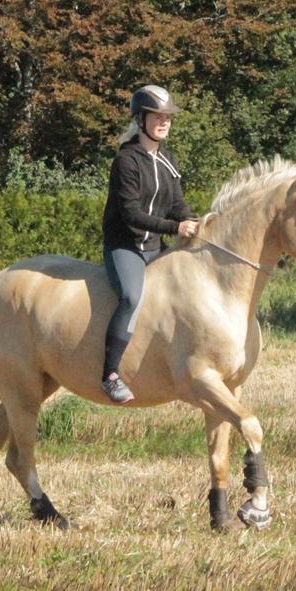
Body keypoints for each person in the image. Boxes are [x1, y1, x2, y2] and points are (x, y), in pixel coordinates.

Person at [99, 85, 199, 403]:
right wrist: (175, 227)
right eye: (157, 116)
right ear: (141, 119)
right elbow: (131, 214)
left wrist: (193, 222)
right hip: (125, 246)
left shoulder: (167, 160)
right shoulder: (126, 162)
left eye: (168, 116)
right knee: (130, 297)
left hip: (155, 246)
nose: (164, 121)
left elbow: (177, 205)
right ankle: (110, 375)